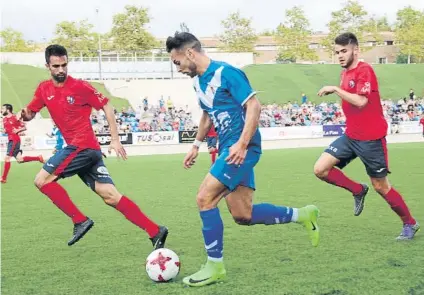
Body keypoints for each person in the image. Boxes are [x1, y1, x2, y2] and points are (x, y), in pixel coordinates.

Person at [166, 32, 320, 287]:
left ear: (190, 53)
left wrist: (242, 143)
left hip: (240, 148)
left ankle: (214, 266)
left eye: (177, 62)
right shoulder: (198, 82)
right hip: (230, 147)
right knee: (242, 214)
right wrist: (195, 145)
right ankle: (303, 215)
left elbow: (254, 106)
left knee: (205, 198)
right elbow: (207, 114)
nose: (178, 68)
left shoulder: (226, 73)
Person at [18, 44, 168, 248]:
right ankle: (155, 230)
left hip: (83, 146)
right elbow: (31, 112)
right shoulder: (44, 89)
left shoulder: (80, 86)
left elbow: (106, 105)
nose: (61, 70)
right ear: (48, 66)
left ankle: (79, 220)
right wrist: (25, 115)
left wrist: (115, 139)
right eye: (56, 66)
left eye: (64, 65)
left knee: (42, 180)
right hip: (85, 151)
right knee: (111, 196)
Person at [315, 32, 419, 240]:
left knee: (381, 186)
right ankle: (357, 190)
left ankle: (410, 223)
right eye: (337, 53)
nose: (340, 56)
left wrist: (335, 89)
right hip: (351, 136)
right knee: (320, 169)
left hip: (371, 139)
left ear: (356, 50)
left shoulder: (365, 70)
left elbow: (361, 102)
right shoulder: (345, 73)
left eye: (344, 51)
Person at [1, 103, 44, 183]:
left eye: (3, 109)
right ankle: (38, 157)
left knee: (7, 158)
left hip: (14, 140)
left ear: (8, 110)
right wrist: (2, 130)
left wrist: (18, 130)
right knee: (20, 159)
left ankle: (3, 178)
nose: (1, 110)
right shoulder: (4, 119)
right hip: (11, 140)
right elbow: (6, 130)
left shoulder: (15, 118)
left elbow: (24, 127)